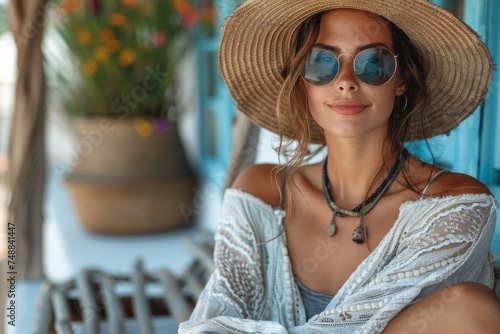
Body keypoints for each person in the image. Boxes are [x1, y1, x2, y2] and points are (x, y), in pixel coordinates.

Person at [179, 0, 500, 333]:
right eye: (321, 62)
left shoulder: (454, 207)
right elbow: (213, 318)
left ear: (401, 78)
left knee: (471, 306)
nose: (346, 81)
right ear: (301, 81)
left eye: (373, 62)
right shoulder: (261, 194)